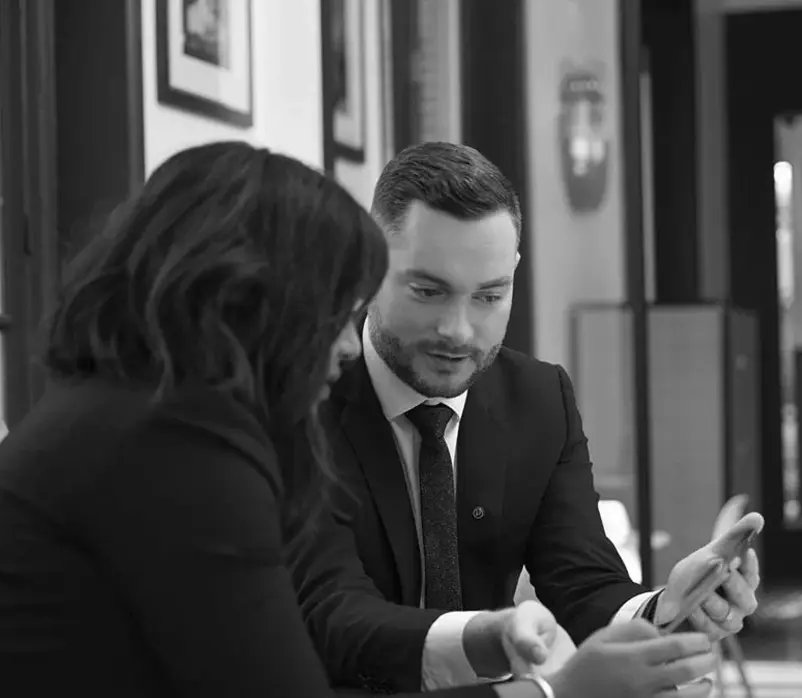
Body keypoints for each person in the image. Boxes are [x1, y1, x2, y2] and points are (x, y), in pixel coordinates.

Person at [0, 141, 716, 698]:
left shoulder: (124, 412)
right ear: (254, 306)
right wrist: (556, 696)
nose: (342, 344)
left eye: (488, 295)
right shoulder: (179, 445)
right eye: (332, 310)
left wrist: (653, 615)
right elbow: (315, 635)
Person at [288, 141, 764, 693]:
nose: (459, 331)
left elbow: (582, 582)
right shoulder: (306, 396)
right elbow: (336, 616)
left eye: (490, 296)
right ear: (371, 268)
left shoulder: (539, 398)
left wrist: (662, 608)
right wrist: (496, 638)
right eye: (428, 291)